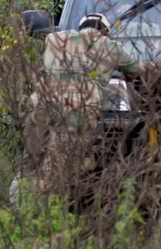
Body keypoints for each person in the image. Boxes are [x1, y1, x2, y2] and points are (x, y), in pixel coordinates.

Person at [26, 13, 141, 194]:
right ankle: (42, 203)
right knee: (66, 166)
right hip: (77, 107)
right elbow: (135, 72)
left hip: (42, 105)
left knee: (34, 158)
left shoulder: (52, 38)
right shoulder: (111, 46)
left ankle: (24, 187)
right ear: (105, 33)